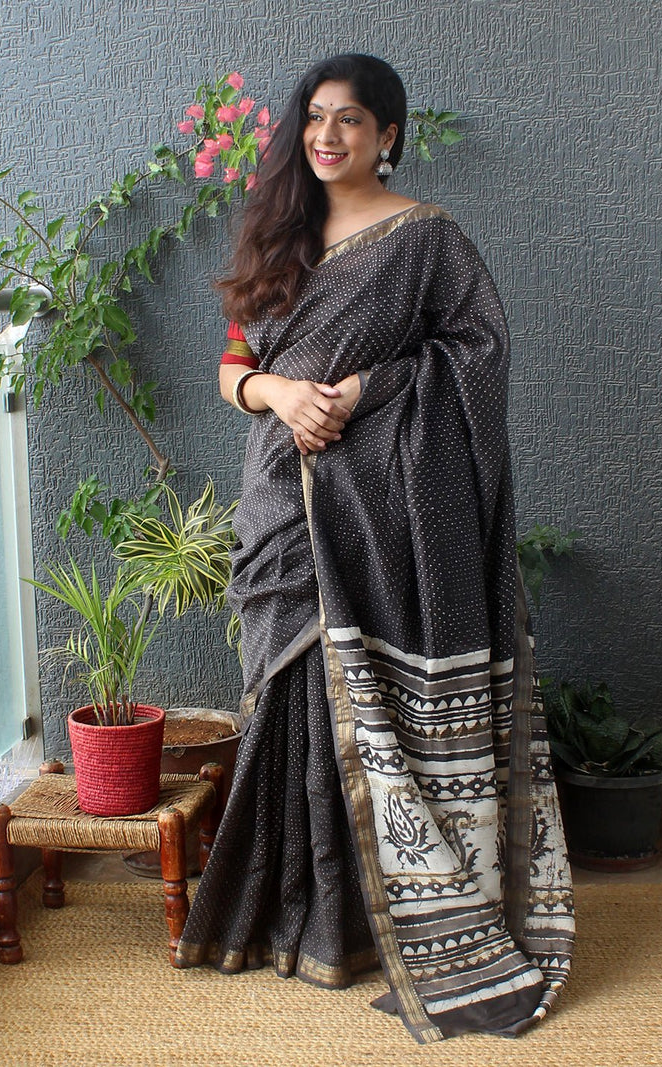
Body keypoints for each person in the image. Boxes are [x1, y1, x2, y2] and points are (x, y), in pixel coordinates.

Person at [176, 53, 574, 1044]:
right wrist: (275, 391)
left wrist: (364, 390)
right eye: (316, 116)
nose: (328, 135)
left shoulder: (425, 238)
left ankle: (366, 921)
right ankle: (297, 915)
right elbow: (232, 364)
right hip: (281, 495)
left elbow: (475, 353)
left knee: (359, 698)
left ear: (387, 135)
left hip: (378, 506)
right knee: (289, 689)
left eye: (350, 119)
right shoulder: (277, 229)